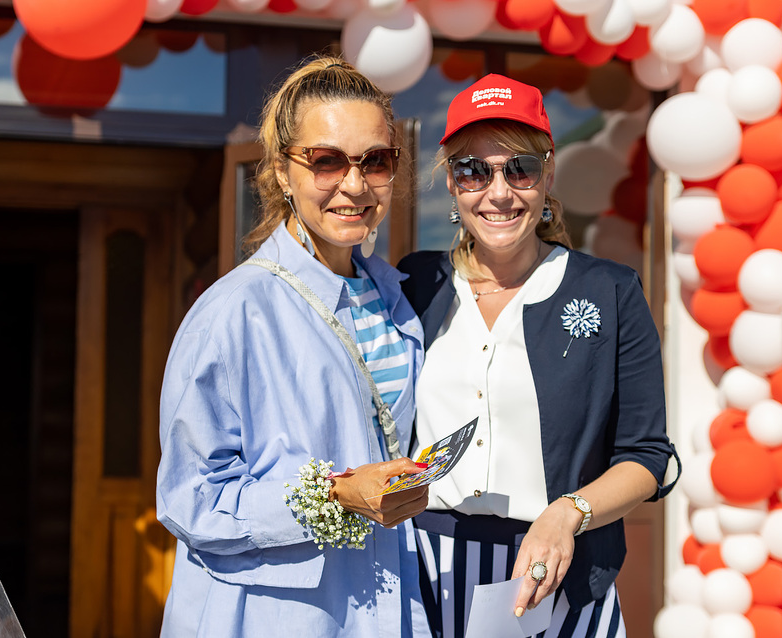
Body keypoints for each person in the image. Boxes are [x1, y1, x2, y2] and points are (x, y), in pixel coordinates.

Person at [156, 55, 432, 638]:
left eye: (375, 162)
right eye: (326, 161)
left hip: (385, 606)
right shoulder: (234, 311)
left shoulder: (395, 299)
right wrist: (335, 497)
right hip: (273, 616)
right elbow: (191, 498)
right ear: (284, 172)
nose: (354, 186)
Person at [398, 74, 680, 638]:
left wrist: (566, 514)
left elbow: (648, 457)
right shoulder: (413, 283)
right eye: (474, 170)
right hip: (421, 571)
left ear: (548, 173)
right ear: (451, 183)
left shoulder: (610, 290)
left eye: (519, 168)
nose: (497, 192)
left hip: (562, 573)